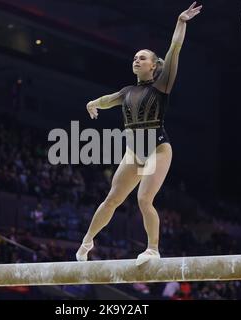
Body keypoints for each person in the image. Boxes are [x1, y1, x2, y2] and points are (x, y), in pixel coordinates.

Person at [77, 2, 203, 265]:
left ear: (154, 66)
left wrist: (181, 22)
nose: (136, 59)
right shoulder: (126, 92)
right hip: (134, 152)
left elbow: (175, 49)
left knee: (144, 198)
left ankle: (153, 249)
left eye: (142, 57)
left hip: (158, 148)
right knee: (112, 199)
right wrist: (93, 104)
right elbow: (107, 99)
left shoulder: (162, 85)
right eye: (135, 57)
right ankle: (87, 242)